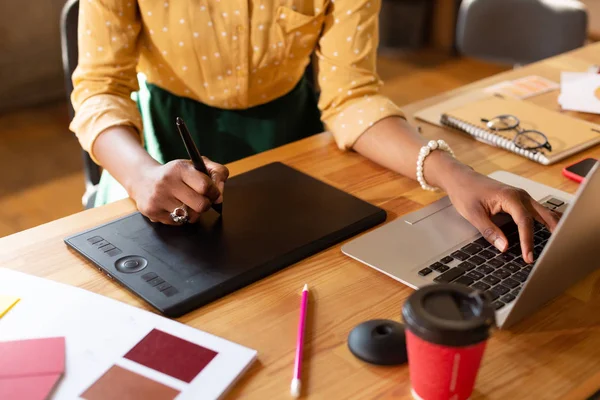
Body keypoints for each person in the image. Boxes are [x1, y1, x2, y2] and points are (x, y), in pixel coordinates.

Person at [70, 0, 559, 264]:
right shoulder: (144, 166)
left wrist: (455, 174)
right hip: (156, 146)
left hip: (292, 135)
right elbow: (98, 88)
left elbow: (351, 95)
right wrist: (139, 176)